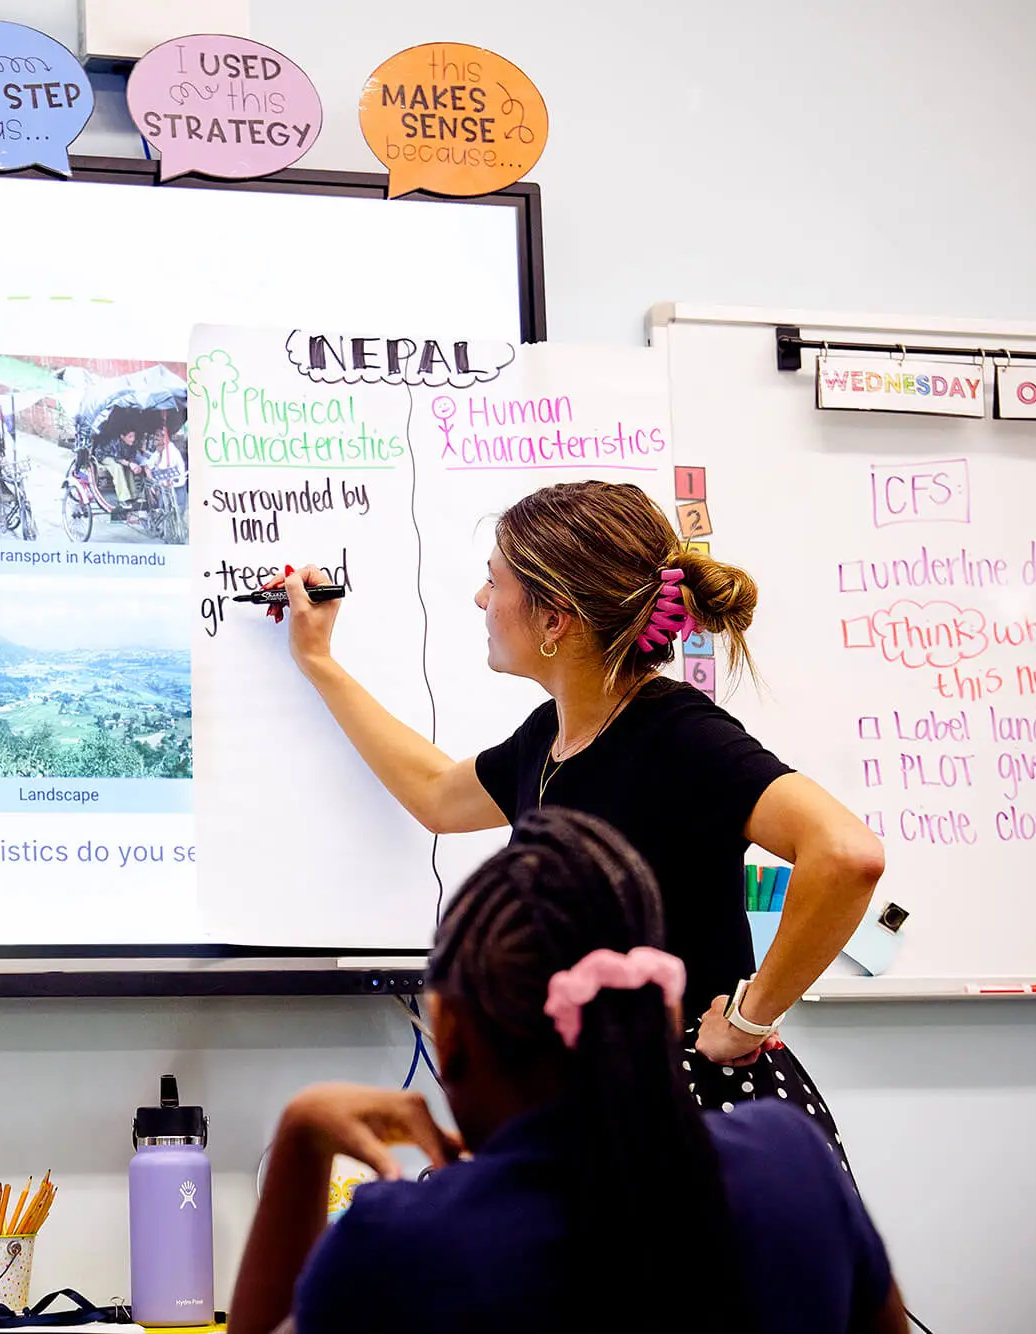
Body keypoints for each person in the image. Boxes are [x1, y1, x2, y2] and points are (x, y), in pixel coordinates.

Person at [275, 480, 884, 1134]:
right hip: (600, 1109)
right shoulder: (551, 737)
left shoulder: (679, 735)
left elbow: (847, 854)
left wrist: (749, 1015)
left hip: (690, 1123)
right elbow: (434, 795)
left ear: (553, 618)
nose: (482, 599)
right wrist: (319, 662)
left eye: (495, 582)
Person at [227, 809, 907, 1334]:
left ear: (451, 1031)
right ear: (661, 1015)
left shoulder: (403, 1246)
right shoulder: (792, 1164)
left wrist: (300, 1139)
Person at [98, 426, 142, 508]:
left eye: (134, 436)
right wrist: (130, 464)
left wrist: (134, 466)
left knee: (129, 468)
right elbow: (117, 459)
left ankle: (133, 496)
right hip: (106, 456)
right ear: (122, 436)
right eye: (130, 436)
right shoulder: (116, 442)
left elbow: (131, 457)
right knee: (117, 467)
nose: (132, 439)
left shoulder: (132, 444)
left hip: (120, 459)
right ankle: (123, 498)